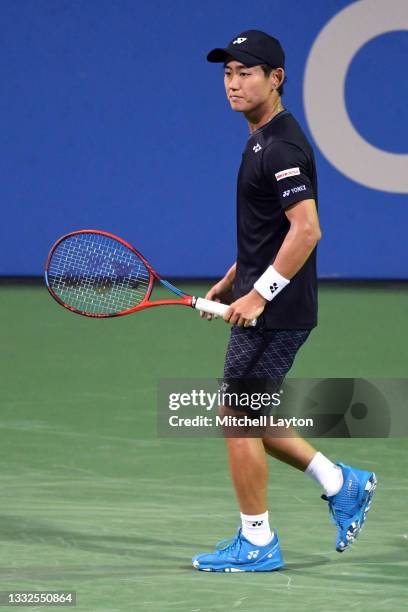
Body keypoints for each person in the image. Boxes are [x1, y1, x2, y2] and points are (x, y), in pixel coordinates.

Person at [192, 30, 377, 572]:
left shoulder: (281, 145)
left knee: (237, 416)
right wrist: (237, 275)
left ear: (276, 79)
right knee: (249, 412)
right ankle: (342, 482)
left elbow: (307, 229)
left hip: (277, 312)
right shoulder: (260, 137)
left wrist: (259, 292)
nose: (233, 82)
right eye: (227, 73)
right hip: (271, 302)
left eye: (246, 72)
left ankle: (257, 542)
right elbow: (273, 228)